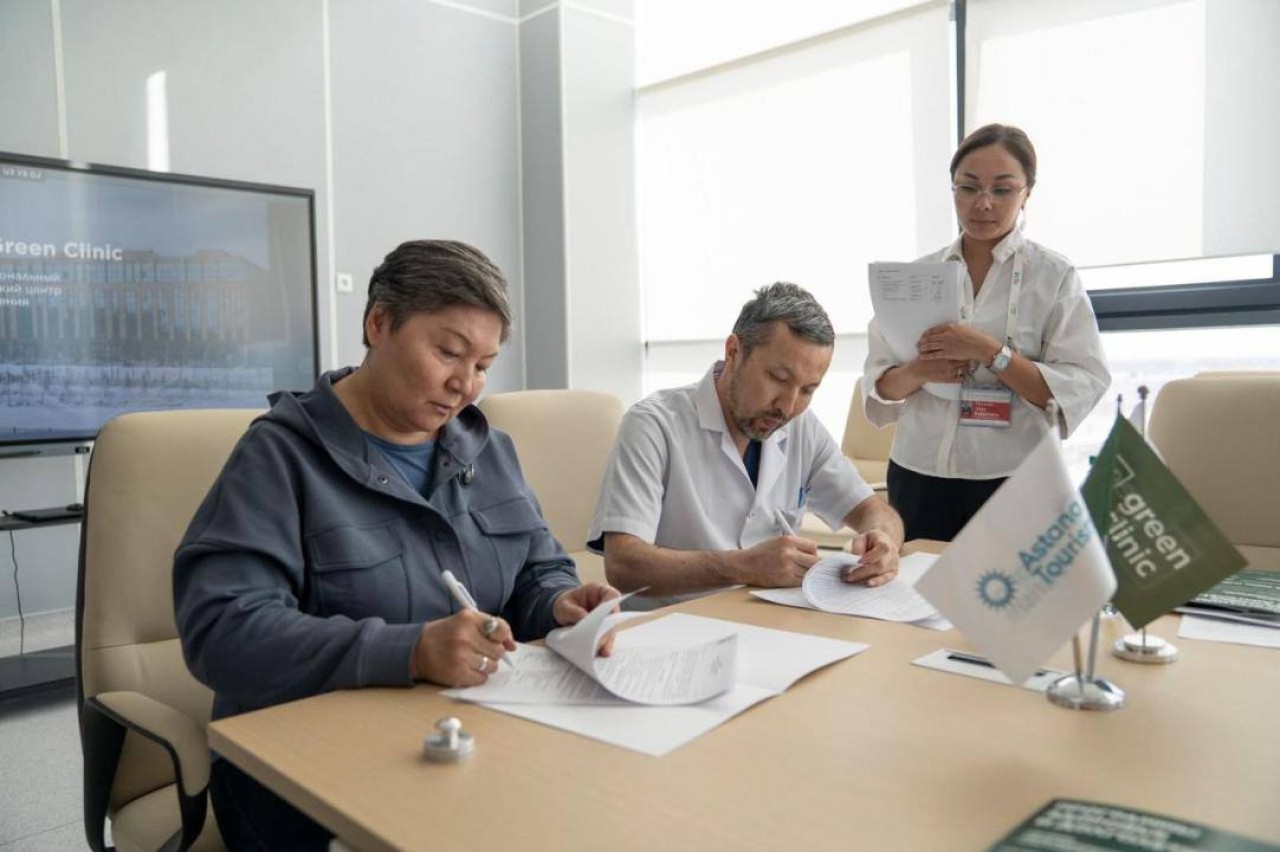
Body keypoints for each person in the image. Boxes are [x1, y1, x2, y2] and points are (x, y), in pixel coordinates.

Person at [174, 239, 620, 849]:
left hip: (470, 740)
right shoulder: (279, 457)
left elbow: (536, 571)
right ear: (378, 323)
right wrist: (409, 651)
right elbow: (223, 632)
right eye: (448, 352)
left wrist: (560, 602)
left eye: (484, 365)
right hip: (301, 773)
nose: (465, 385)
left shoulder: (488, 450)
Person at [588, 282, 903, 608]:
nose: (787, 407)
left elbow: (874, 511)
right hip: (672, 624)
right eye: (778, 378)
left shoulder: (801, 427)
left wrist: (883, 542)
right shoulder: (653, 425)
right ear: (733, 352)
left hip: (768, 621)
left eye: (808, 390)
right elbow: (624, 564)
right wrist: (743, 566)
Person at [864, 123, 1110, 542]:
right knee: (915, 583)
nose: (983, 203)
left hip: (1014, 476)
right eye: (968, 187)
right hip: (918, 470)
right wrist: (921, 370)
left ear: (1027, 193)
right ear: (953, 188)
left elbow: (1080, 383)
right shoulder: (916, 276)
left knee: (1007, 586)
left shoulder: (1054, 276)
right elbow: (880, 385)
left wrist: (991, 352)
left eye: (1002, 189)